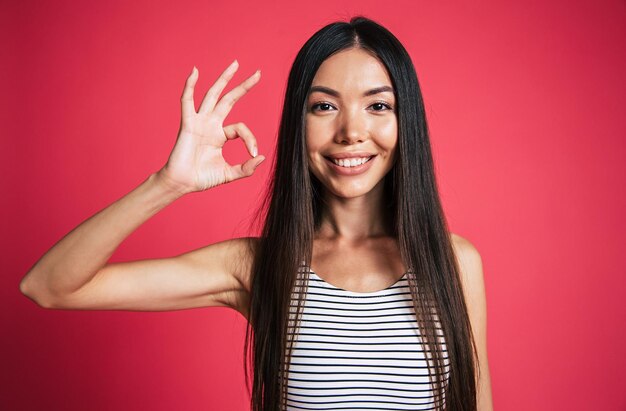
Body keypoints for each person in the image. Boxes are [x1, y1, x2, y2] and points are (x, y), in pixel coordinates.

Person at [20, 16, 492, 411]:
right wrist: (168, 184)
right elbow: (49, 286)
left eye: (378, 105)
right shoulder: (258, 267)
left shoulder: (454, 263)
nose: (351, 130)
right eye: (324, 106)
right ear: (296, 123)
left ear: (404, 120)